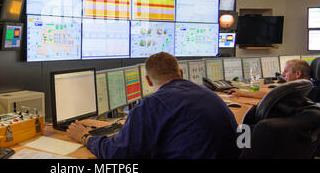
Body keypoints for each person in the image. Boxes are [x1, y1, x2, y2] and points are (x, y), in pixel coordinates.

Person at [66, 52, 240, 159]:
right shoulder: (209, 94)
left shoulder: (152, 104)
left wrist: (85, 137)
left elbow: (118, 154)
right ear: (180, 73)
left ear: (148, 80)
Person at [230, 59, 319, 102]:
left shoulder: (300, 90)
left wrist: (242, 93)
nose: (283, 74)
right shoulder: (307, 86)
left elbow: (270, 94)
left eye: (286, 71)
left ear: (298, 74)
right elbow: (272, 92)